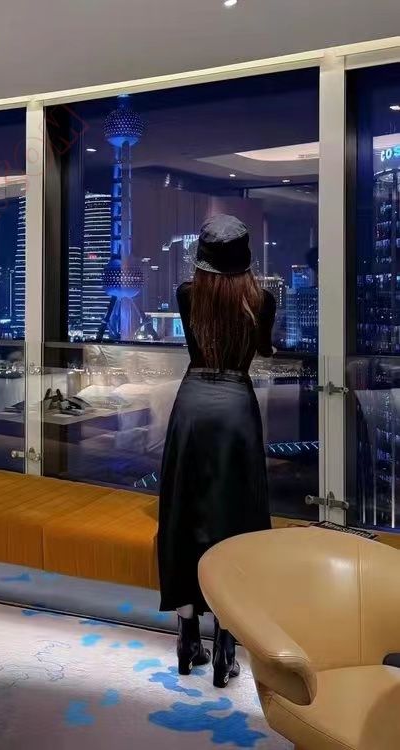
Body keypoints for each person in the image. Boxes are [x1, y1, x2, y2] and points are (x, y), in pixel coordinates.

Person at [157, 214, 276, 688]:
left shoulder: (187, 294)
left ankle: (188, 635)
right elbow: (263, 349)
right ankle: (227, 644)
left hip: (192, 404)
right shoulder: (262, 299)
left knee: (183, 513)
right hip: (235, 408)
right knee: (236, 520)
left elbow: (195, 344)